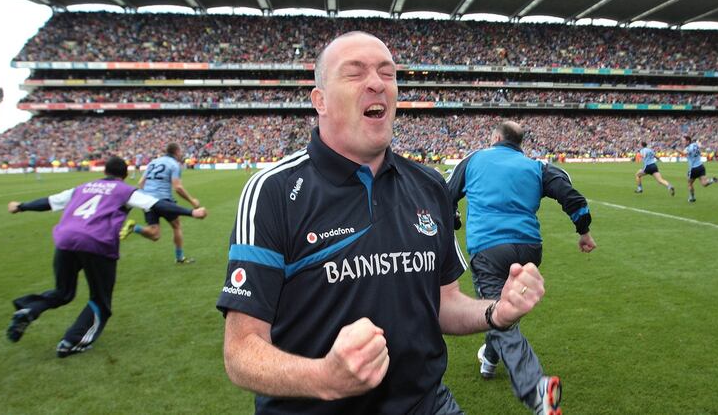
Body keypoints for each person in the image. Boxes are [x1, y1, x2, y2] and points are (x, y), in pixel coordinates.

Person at [216, 32, 548, 415]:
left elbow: (444, 303)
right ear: (320, 101)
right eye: (355, 73)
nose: (376, 82)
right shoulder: (273, 191)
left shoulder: (429, 184)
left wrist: (496, 312)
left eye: (387, 73)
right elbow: (240, 351)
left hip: (428, 405)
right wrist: (324, 376)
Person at [447, 120, 595, 414]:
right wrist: (584, 231)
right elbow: (571, 195)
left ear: (496, 137)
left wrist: (453, 221)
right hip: (529, 247)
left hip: (489, 247)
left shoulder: (475, 159)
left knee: (497, 311)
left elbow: (445, 194)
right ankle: (489, 359)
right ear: (519, 142)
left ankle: (534, 387)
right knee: (503, 306)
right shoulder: (536, 166)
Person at [5, 156, 208, 357]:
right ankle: (72, 342)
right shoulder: (124, 190)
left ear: (104, 171)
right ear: (125, 174)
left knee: (63, 292)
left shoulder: (82, 187)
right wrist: (192, 212)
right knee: (101, 300)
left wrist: (21, 206)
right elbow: (156, 205)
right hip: (97, 242)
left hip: (66, 239)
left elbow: (49, 202)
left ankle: (28, 310)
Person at [122, 143, 201, 264]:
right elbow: (178, 188)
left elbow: (140, 183)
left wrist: (145, 198)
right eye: (180, 152)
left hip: (147, 201)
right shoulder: (174, 164)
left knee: (155, 234)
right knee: (177, 226)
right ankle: (180, 258)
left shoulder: (154, 162)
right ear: (177, 151)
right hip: (163, 200)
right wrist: (192, 201)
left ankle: (135, 228)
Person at [682, 135, 718, 202]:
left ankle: (692, 198)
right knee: (704, 183)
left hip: (693, 169)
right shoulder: (695, 144)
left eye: (683, 141)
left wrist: (675, 149)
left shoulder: (688, 148)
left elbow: (684, 153)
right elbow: (700, 145)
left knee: (689, 183)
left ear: (688, 141)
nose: (682, 142)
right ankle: (712, 180)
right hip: (701, 166)